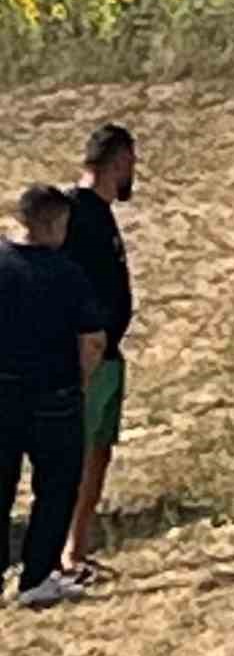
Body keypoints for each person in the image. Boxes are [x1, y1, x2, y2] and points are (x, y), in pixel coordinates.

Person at [1, 185, 107, 610]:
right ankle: (37, 575)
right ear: (53, 224)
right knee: (56, 486)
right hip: (53, 396)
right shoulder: (66, 274)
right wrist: (81, 383)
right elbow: (93, 340)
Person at [59, 122, 137, 584]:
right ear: (119, 160)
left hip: (109, 354)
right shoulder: (76, 213)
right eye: (131, 164)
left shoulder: (101, 212)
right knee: (74, 454)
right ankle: (59, 557)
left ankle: (77, 548)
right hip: (84, 358)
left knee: (98, 451)